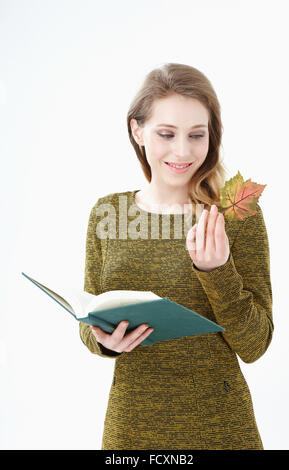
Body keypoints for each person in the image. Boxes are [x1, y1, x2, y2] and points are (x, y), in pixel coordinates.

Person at [79, 63, 274, 450]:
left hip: (220, 430)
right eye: (166, 134)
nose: (182, 151)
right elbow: (88, 319)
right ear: (137, 130)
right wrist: (102, 340)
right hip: (131, 429)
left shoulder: (237, 211)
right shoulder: (108, 213)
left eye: (196, 135)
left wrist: (215, 271)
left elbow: (255, 345)